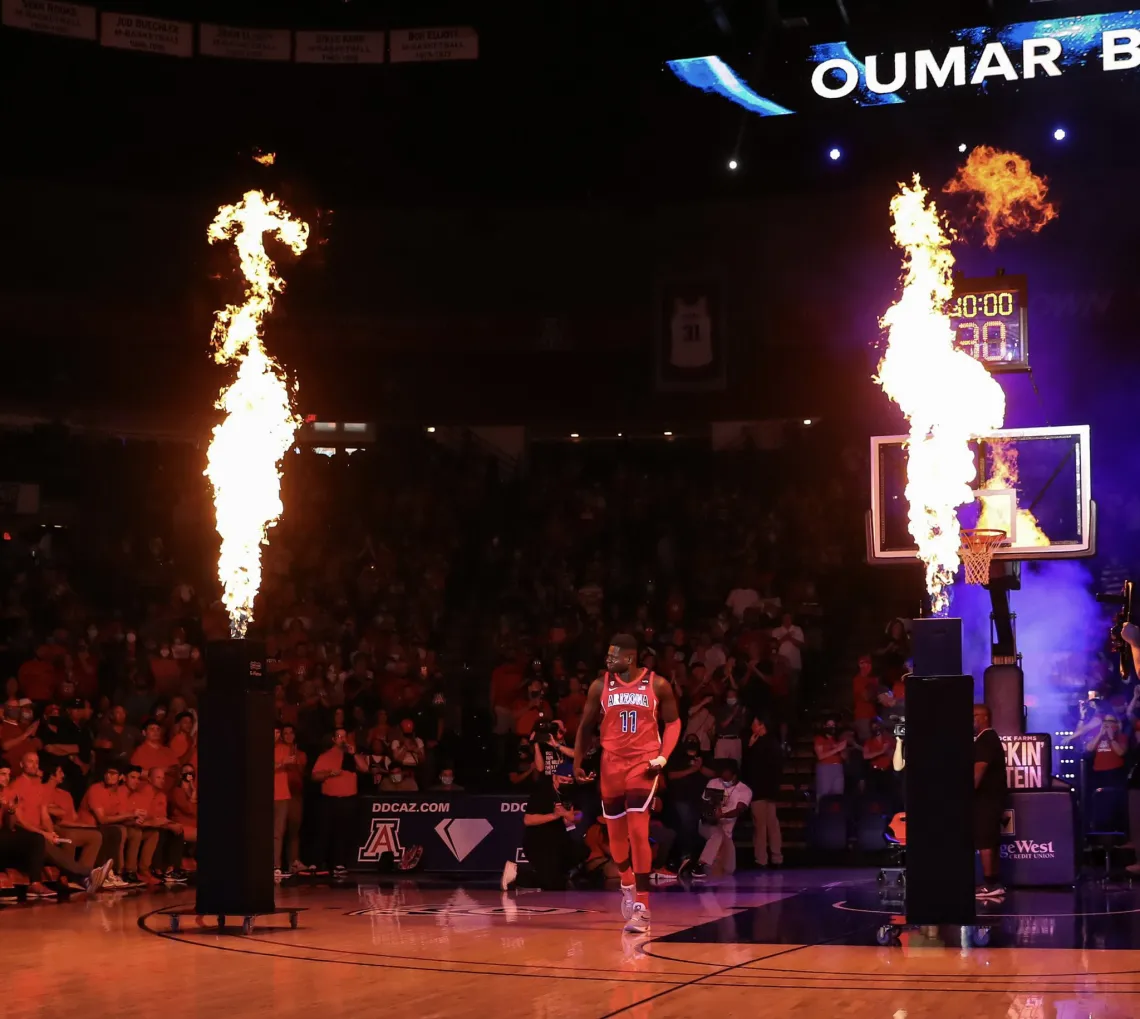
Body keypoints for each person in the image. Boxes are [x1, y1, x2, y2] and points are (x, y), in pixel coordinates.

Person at [573, 633, 681, 934]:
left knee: (637, 828)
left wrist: (663, 757)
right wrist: (579, 762)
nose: (608, 659)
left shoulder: (657, 684)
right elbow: (584, 726)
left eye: (613, 655)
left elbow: (673, 723)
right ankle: (627, 880)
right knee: (616, 835)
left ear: (630, 658)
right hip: (611, 763)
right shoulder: (600, 685)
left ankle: (643, 907)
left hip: (642, 763)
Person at [501, 762, 581, 891]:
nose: (565, 783)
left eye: (569, 781)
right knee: (553, 884)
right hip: (539, 841)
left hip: (559, 841)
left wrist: (569, 815)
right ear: (554, 777)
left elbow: (577, 815)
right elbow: (528, 820)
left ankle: (560, 874)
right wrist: (554, 816)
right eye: (562, 780)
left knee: (582, 849)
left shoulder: (572, 793)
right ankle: (517, 873)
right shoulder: (542, 793)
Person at [690, 759, 752, 880]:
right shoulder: (713, 783)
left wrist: (722, 815)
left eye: (726, 774)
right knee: (717, 835)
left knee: (729, 869)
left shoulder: (745, 790)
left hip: (726, 831)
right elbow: (704, 804)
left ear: (734, 774)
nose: (723, 777)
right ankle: (700, 864)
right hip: (708, 825)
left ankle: (701, 865)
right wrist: (712, 813)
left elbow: (738, 810)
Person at [311, 726, 359, 880]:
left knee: (343, 833)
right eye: (339, 736)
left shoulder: (351, 755)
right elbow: (314, 776)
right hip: (329, 800)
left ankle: (340, 864)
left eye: (344, 736)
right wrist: (329, 773)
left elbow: (365, 768)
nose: (342, 739)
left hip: (348, 800)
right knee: (324, 831)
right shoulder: (326, 756)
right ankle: (318, 863)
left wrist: (354, 753)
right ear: (333, 739)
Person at [973, 703, 1008, 899]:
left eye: (974, 716)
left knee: (985, 841)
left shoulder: (986, 740)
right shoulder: (987, 739)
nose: (971, 720)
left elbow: (978, 773)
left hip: (986, 799)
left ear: (983, 717)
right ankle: (993, 882)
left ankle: (990, 884)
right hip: (992, 798)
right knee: (989, 841)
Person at [742, 718, 783, 867]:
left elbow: (749, 767)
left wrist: (750, 747)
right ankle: (776, 857)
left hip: (759, 790)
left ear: (761, 725)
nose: (752, 726)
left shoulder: (760, 745)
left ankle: (762, 859)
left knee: (761, 825)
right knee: (771, 824)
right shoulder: (774, 743)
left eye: (754, 723)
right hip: (769, 790)